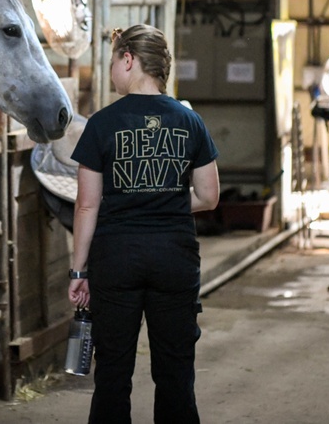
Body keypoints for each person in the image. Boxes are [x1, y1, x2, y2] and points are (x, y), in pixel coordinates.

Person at [67, 25, 220, 424]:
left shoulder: (100, 124)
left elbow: (87, 204)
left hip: (116, 259)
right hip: (174, 257)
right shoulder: (190, 122)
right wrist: (165, 198)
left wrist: (79, 271)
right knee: (175, 372)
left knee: (114, 372)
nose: (113, 70)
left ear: (129, 60)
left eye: (114, 60)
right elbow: (208, 196)